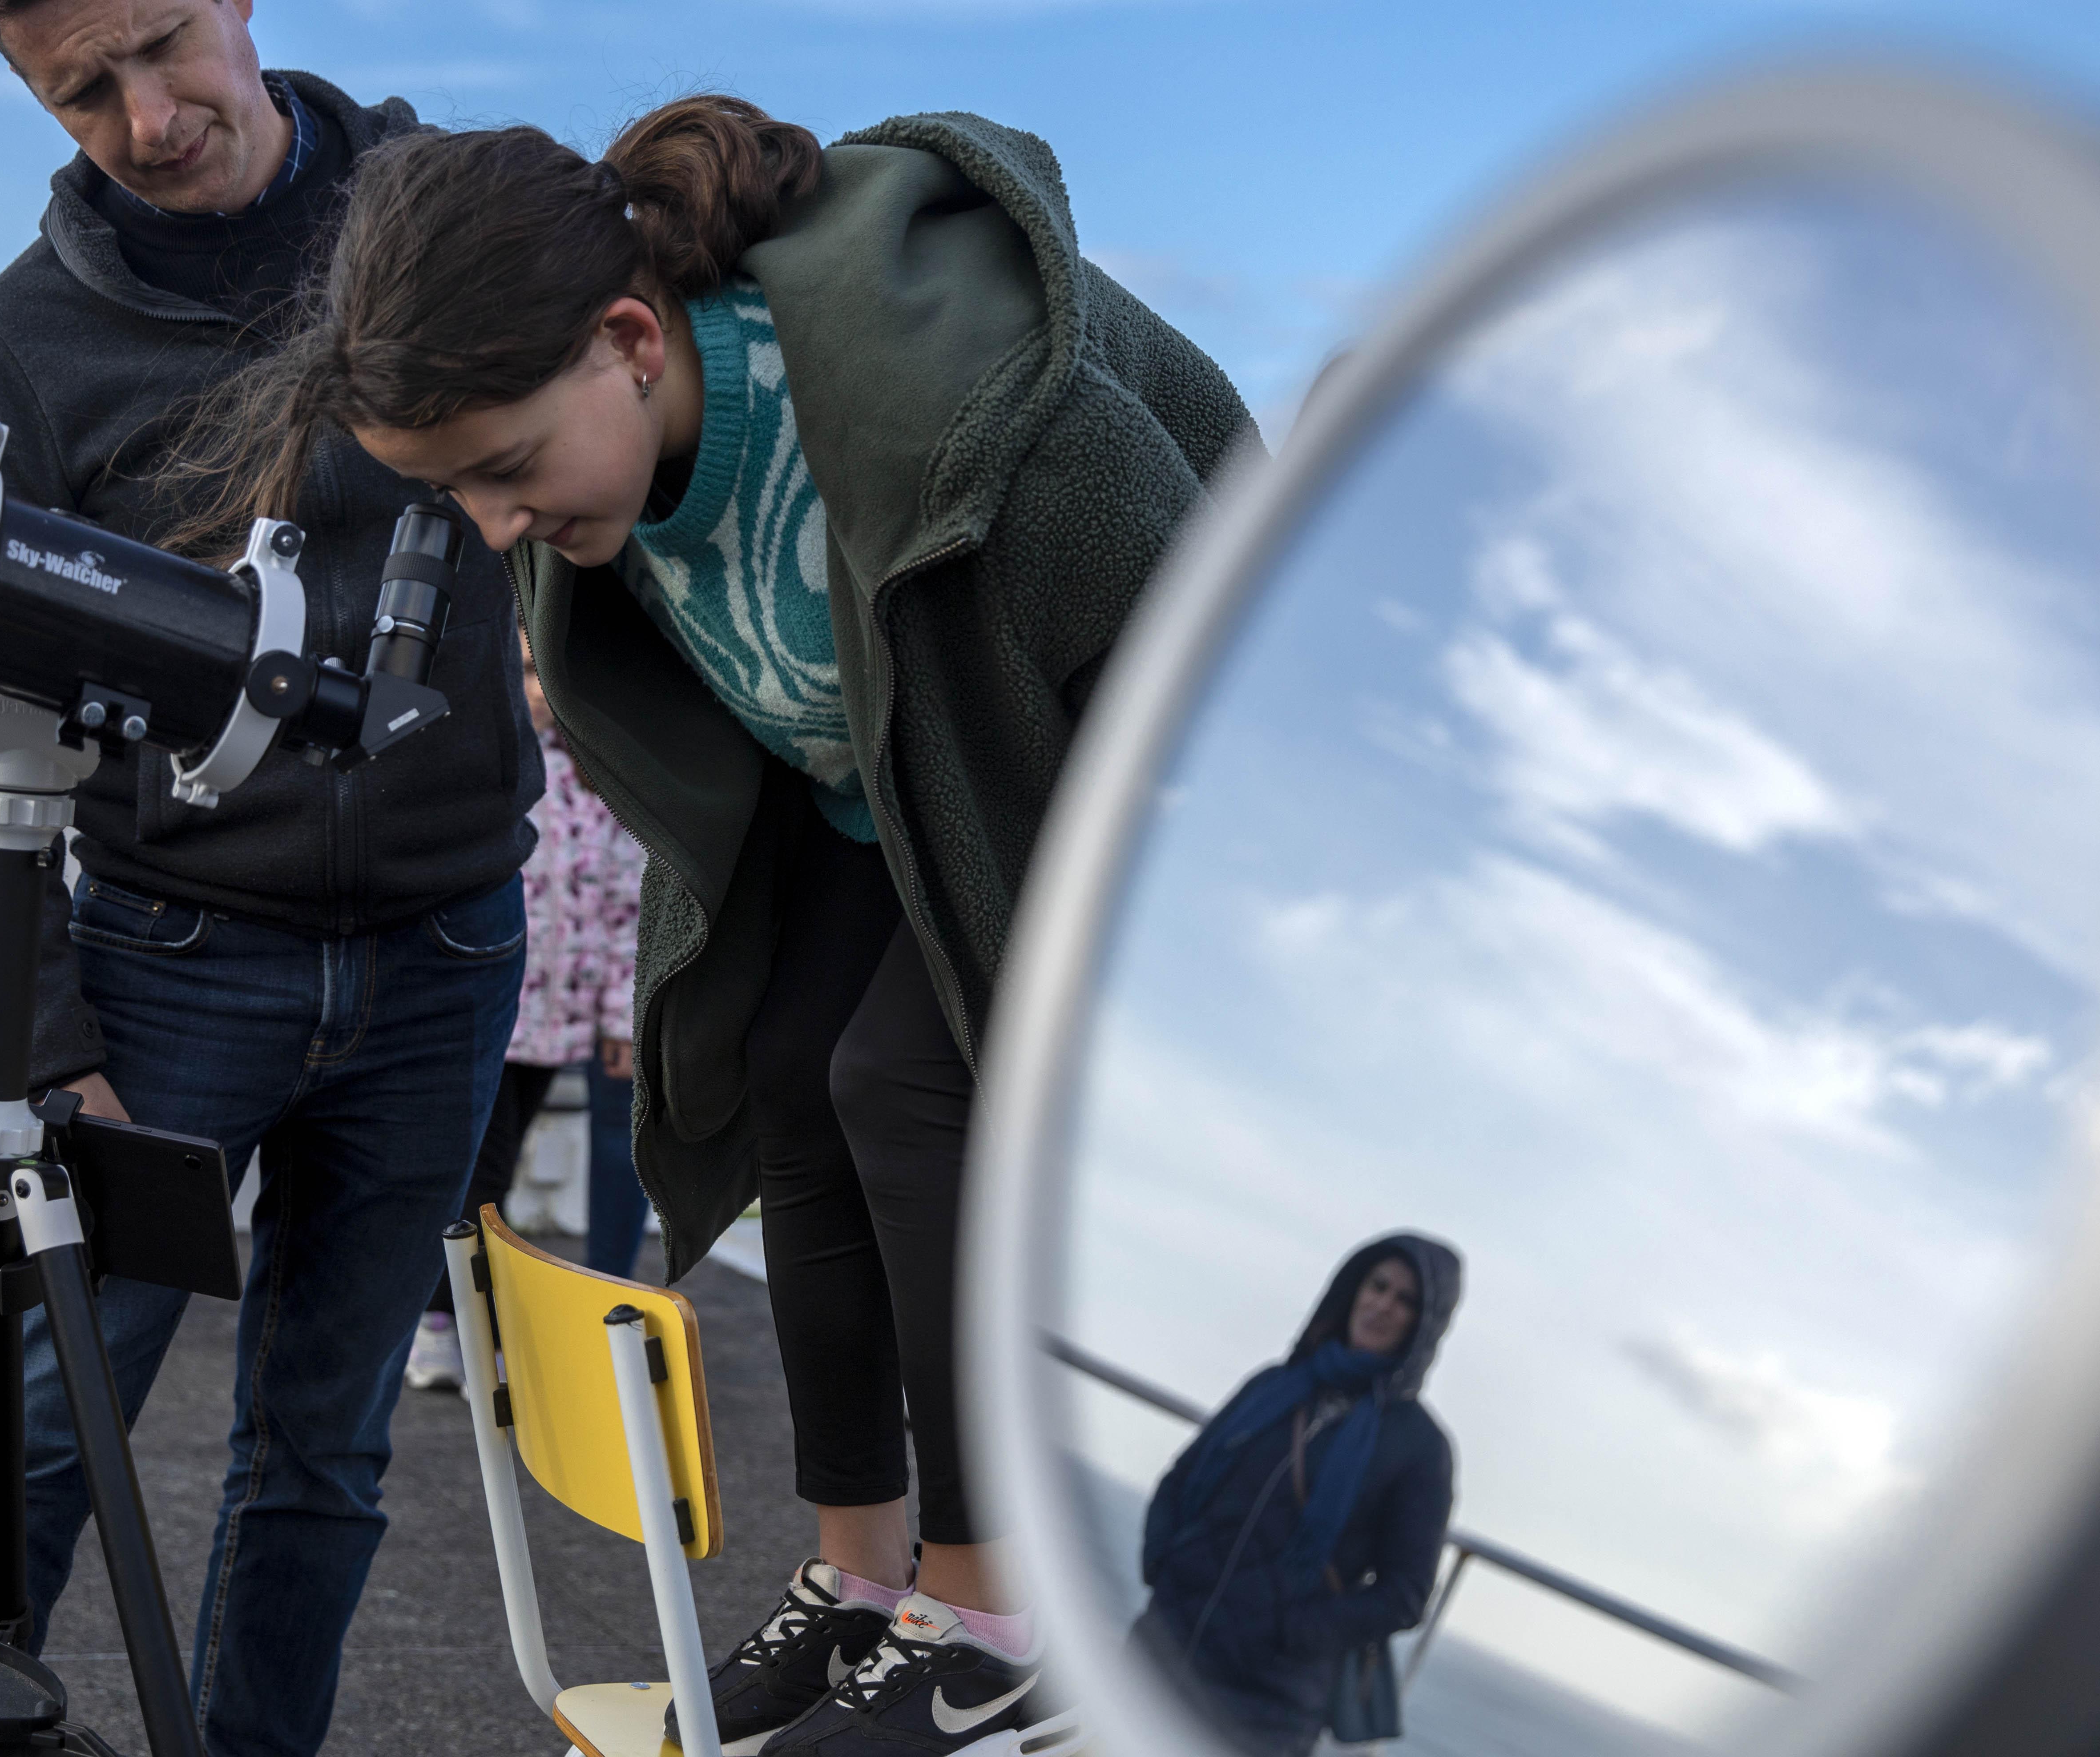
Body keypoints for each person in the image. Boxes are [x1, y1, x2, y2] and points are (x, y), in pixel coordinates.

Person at [171, 94, 1256, 1755]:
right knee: (782, 1063)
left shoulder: (957, 394)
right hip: (867, 788)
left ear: (626, 339)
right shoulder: (601, 468)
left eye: (505, 470)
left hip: (1099, 761)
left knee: (903, 1077)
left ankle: (991, 1621)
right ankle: (864, 1577)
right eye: (450, 490)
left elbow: (1191, 613)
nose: (489, 526)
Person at [0, 0, 539, 1757]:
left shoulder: (437, 212)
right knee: (35, 1436)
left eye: (164, 46)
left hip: (442, 947)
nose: (146, 118)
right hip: (161, 964)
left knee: (320, 1460)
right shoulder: (18, 342)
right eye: (83, 88)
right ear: (23, 86)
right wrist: (42, 1033)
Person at [408, 630, 648, 1389]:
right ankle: (448, 1324)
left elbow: (624, 903)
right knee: (481, 1172)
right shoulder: (488, 770)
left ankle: (580, 1314)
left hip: (569, 1017)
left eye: (552, 672)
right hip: (494, 1010)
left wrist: (619, 1016)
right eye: (523, 672)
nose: (540, 689)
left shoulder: (599, 782)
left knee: (568, 1161)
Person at [1135, 1237, 1463, 1754]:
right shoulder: (1276, 1384)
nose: (1384, 1304)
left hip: (1264, 1704)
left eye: (1407, 1300)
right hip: (1159, 1646)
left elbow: (1405, 1594)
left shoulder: (1419, 1446)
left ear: (1425, 1324)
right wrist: (1163, 1561)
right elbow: (1183, 1476)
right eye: (1378, 1285)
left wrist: (1290, 1632)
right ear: (1353, 1288)